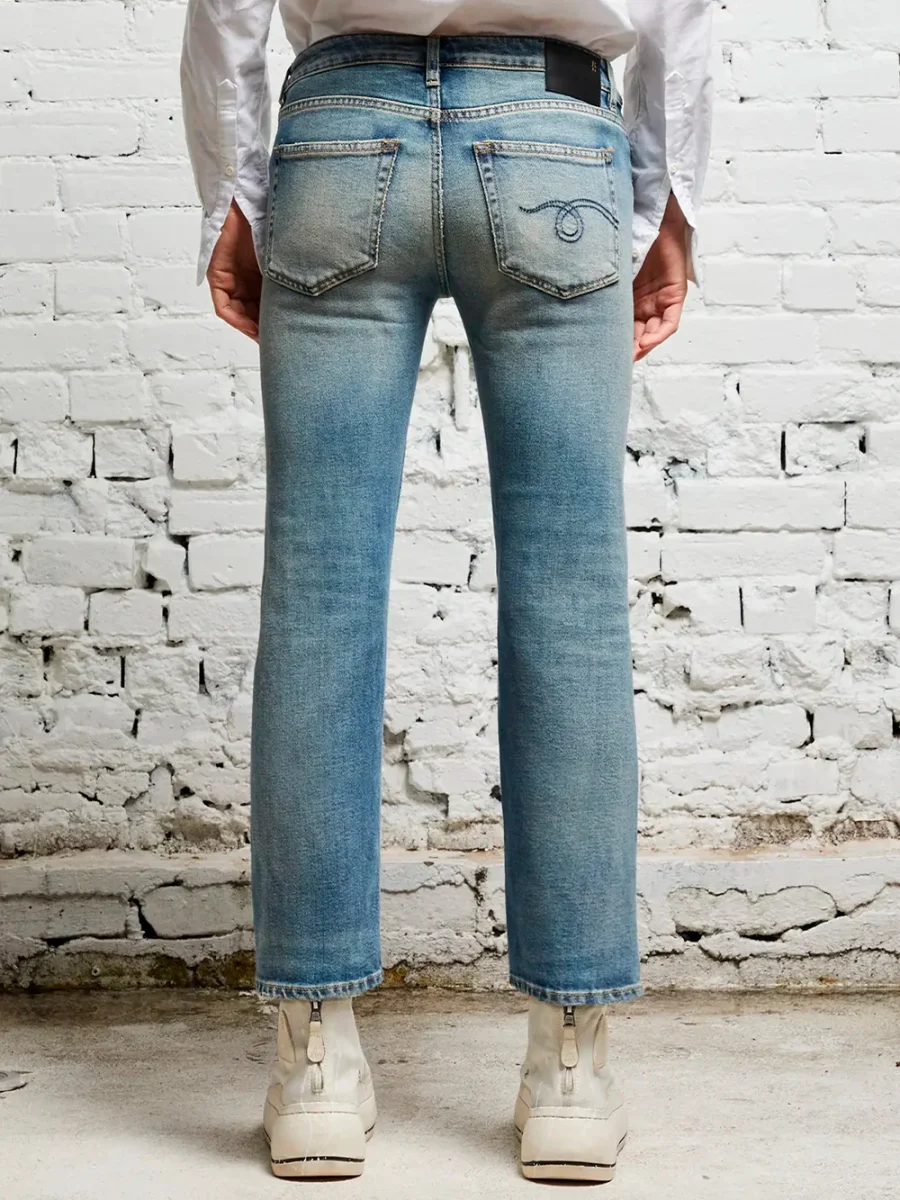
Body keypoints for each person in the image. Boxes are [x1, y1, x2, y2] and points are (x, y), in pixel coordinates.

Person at [180, 0, 713, 1183]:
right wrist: (669, 197)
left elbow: (226, 6)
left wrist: (233, 194)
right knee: (573, 608)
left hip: (338, 128)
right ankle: (570, 1072)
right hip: (552, 133)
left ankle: (314, 1068)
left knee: (317, 601)